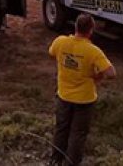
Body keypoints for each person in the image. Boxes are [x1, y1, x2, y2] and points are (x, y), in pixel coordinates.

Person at [48, 14, 116, 166]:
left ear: (76, 27)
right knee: (77, 135)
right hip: (84, 100)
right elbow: (111, 73)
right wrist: (97, 75)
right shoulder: (93, 51)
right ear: (91, 30)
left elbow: (51, 52)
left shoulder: (60, 42)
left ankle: (55, 160)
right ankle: (71, 163)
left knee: (61, 129)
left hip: (64, 96)